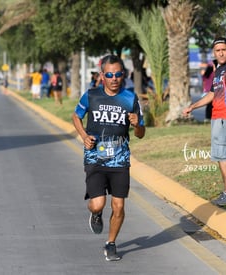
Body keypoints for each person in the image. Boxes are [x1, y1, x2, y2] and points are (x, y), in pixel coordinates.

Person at [72, 54, 145, 261]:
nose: (114, 78)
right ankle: (95, 214)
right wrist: (84, 136)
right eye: (110, 74)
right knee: (98, 204)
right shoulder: (91, 95)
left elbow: (141, 134)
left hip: (120, 160)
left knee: (119, 206)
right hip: (95, 158)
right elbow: (76, 116)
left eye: (118, 74)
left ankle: (111, 243)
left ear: (124, 75)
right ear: (102, 75)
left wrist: (137, 124)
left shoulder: (130, 98)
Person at [183, 37, 226, 206]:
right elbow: (211, 94)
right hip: (216, 116)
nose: (221, 53)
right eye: (218, 50)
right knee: (219, 154)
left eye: (223, 49)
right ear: (214, 53)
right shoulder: (218, 70)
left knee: (223, 153)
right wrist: (193, 106)